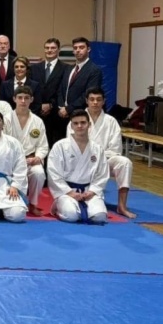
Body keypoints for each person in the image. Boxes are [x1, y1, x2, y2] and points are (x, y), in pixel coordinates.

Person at [48, 109, 111, 225]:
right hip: (66, 192)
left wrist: (92, 191)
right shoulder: (60, 146)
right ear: (71, 126)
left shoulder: (97, 149)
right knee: (71, 215)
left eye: (83, 123)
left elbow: (102, 174)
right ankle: (58, 206)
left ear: (89, 124)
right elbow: (54, 174)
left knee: (100, 216)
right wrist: (70, 192)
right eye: (76, 123)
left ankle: (88, 206)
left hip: (88, 191)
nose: (79, 126)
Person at [84, 88, 134, 218]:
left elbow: (115, 149)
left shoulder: (111, 121)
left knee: (125, 163)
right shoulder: (78, 119)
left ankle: (122, 206)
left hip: (105, 160)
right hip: (83, 162)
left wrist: (99, 158)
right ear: (86, 101)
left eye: (98, 99)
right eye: (92, 99)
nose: (95, 102)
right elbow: (71, 146)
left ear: (104, 101)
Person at [5, 86, 49, 216]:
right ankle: (7, 200)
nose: (23, 101)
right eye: (20, 98)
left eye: (26, 98)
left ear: (32, 100)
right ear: (14, 99)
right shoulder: (6, 119)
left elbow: (43, 145)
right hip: (10, 161)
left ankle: (33, 204)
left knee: (38, 173)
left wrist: (38, 157)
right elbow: (1, 142)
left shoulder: (37, 121)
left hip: (30, 159)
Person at [31, 37, 67, 148]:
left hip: (56, 114)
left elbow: (63, 90)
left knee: (55, 146)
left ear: (58, 50)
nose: (49, 50)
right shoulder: (34, 68)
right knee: (37, 144)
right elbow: (31, 89)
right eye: (47, 48)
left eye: (53, 48)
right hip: (38, 112)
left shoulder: (66, 68)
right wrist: (40, 105)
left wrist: (51, 105)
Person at [59, 37, 103, 123]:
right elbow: (61, 89)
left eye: (81, 47)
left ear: (88, 49)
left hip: (81, 115)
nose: (78, 50)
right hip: (62, 114)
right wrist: (61, 107)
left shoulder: (94, 70)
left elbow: (88, 94)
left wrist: (68, 109)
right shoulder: (68, 69)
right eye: (75, 48)